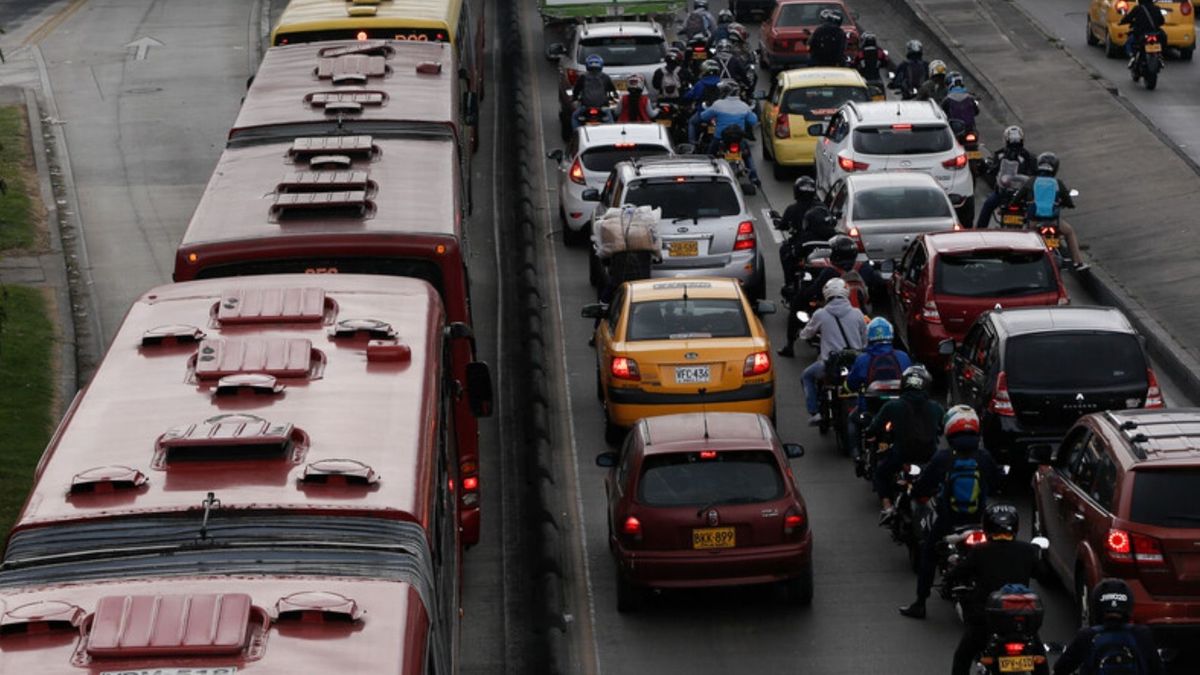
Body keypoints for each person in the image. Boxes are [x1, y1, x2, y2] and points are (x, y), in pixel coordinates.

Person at [900, 404, 1004, 618]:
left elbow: (923, 485)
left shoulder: (943, 458)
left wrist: (916, 493)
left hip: (949, 521)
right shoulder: (984, 457)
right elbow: (996, 484)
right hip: (980, 519)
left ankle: (920, 603)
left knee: (928, 553)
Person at [944, 504, 1043, 675]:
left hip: (987, 619)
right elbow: (1043, 574)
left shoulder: (979, 551)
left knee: (963, 656)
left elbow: (957, 573)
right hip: (1022, 619)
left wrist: (950, 575)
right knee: (1040, 658)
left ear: (987, 527)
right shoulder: (1027, 550)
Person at [870, 366, 944, 520]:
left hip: (901, 455)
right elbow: (943, 428)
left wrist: (871, 433)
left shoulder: (893, 406)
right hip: (930, 455)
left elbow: (874, 428)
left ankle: (887, 507)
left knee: (880, 474)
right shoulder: (936, 407)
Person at [1054, 578, 1166, 675]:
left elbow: (1061, 668)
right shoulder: (1141, 634)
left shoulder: (1087, 635)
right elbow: (1157, 670)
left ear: (1097, 606)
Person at [797, 278, 867, 425]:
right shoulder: (857, 313)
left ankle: (815, 412)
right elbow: (864, 339)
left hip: (830, 364)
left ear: (826, 294)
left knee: (807, 376)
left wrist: (802, 333)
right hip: (855, 362)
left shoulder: (820, 314)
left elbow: (806, 334)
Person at [846, 317, 911, 465]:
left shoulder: (863, 359)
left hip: (869, 411)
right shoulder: (902, 357)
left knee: (852, 420)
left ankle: (857, 455)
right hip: (899, 409)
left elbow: (851, 384)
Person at [1013, 152, 1088, 271]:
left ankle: (1025, 264)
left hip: (1033, 222)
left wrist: (1016, 204)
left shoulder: (1031, 181)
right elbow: (1068, 201)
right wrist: (1068, 205)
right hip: (1053, 222)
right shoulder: (1058, 183)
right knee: (1069, 232)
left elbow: (1017, 199)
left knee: (1026, 239)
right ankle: (1078, 262)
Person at [797, 234, 885, 313]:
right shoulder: (864, 267)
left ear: (835, 254)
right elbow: (880, 286)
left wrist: (804, 285)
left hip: (835, 315)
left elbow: (812, 292)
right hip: (862, 313)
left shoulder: (830, 272)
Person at [975, 125, 1037, 229]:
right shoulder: (1029, 156)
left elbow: (992, 170)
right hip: (1020, 195)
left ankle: (979, 233)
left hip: (1004, 194)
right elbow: (1034, 173)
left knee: (987, 206)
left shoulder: (1000, 154)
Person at [699, 80, 760, 183]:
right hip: (739, 139)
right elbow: (753, 120)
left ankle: (707, 175)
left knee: (709, 156)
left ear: (725, 92)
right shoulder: (743, 106)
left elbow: (703, 116)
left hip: (719, 138)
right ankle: (754, 177)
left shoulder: (718, 104)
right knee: (748, 156)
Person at [572, 54, 618, 129]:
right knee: (611, 121)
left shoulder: (583, 77)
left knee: (574, 116)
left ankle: (576, 134)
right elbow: (613, 91)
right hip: (603, 108)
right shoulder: (605, 77)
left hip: (586, 108)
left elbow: (576, 90)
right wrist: (614, 98)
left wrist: (574, 99)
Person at [1120, 0, 1165, 64]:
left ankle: (1132, 56)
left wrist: (1122, 22)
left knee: (1129, 42)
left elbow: (1128, 18)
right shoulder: (1156, 8)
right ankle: (1160, 55)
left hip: (1140, 33)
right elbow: (1162, 21)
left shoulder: (1137, 8)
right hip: (1155, 32)